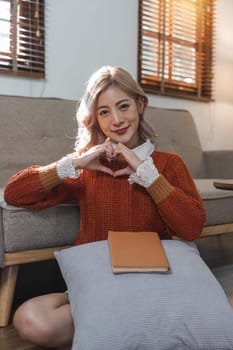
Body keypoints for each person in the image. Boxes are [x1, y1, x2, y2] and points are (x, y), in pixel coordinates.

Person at [4, 66, 206, 349]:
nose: (117, 120)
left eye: (124, 106)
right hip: (100, 285)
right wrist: (71, 164)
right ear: (95, 119)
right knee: (30, 319)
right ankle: (140, 329)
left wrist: (149, 176)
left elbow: (191, 226)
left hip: (153, 281)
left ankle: (126, 329)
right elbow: (15, 194)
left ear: (140, 104)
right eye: (105, 112)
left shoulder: (168, 164)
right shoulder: (86, 167)